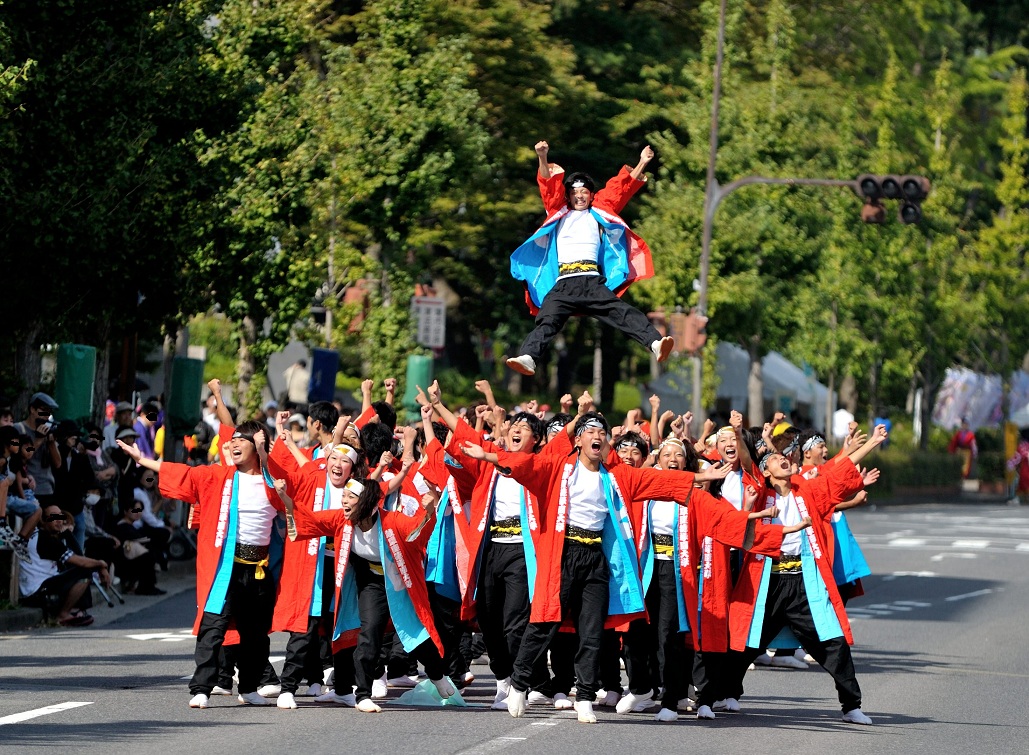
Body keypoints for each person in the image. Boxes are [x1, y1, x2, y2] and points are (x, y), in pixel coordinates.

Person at [459, 411, 733, 724]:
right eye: (590, 431)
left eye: (602, 432)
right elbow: (526, 464)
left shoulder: (616, 476)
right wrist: (490, 455)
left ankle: (586, 696)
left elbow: (658, 480)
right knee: (546, 623)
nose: (597, 436)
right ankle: (519, 682)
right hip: (563, 556)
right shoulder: (559, 469)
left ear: (605, 443)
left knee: (591, 632)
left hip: (595, 559)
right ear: (578, 440)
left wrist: (702, 477)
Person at [728, 425, 889, 726]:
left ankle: (851, 705)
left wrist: (874, 443)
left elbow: (838, 471)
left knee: (832, 641)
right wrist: (738, 434)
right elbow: (747, 463)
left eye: (785, 457)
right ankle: (726, 694)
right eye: (776, 459)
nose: (784, 459)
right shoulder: (760, 493)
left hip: (803, 581)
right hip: (769, 580)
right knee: (747, 640)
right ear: (765, 472)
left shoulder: (808, 490)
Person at [117, 421, 284, 709]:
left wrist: (265, 455)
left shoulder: (274, 480)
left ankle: (248, 687)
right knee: (213, 628)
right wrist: (142, 459)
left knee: (255, 633)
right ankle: (202, 688)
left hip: (258, 567)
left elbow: (292, 493)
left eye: (240, 440)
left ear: (258, 445)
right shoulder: (218, 477)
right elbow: (182, 473)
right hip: (225, 567)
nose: (232, 444)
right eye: (231, 440)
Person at [279, 477, 457, 713]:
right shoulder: (342, 520)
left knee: (414, 634)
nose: (344, 500)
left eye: (350, 497)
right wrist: (284, 497)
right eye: (344, 496)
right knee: (369, 633)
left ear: (367, 503)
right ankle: (362, 694)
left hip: (398, 581)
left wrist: (429, 511)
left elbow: (417, 532)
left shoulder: (392, 521)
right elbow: (310, 519)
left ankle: (437, 674)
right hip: (371, 582)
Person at [505, 141, 673, 377]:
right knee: (548, 319)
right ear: (568, 196)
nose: (579, 196)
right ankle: (529, 357)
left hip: (592, 281)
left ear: (591, 194)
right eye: (574, 192)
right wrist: (542, 157)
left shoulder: (600, 211)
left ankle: (655, 343)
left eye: (584, 191)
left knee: (622, 313)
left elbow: (621, 189)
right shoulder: (557, 212)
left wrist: (642, 163)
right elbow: (547, 186)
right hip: (564, 282)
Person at [19, 504, 111, 626]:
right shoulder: (46, 540)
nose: (59, 521)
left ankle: (76, 610)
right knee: (84, 572)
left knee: (76, 569)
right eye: (54, 517)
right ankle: (63, 615)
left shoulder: (39, 534)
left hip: (36, 589)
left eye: (61, 517)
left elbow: (78, 555)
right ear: (43, 520)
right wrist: (101, 564)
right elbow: (81, 561)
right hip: (37, 592)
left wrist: (66, 534)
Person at [13, 392, 62, 507]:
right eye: (43, 410)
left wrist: (51, 443)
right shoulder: (18, 429)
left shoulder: (47, 430)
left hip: (47, 488)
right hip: (27, 488)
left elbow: (58, 464)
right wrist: (39, 440)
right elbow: (22, 457)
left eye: (49, 412)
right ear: (32, 409)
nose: (46, 415)